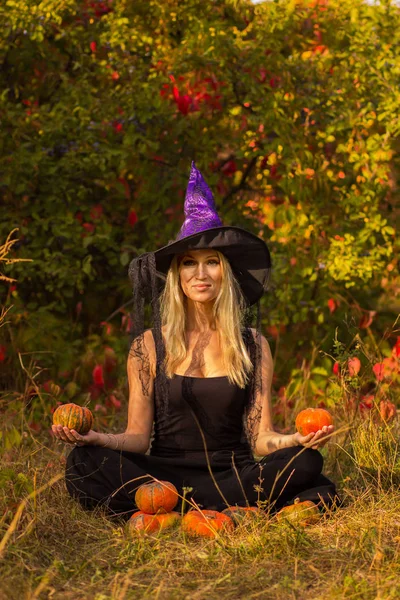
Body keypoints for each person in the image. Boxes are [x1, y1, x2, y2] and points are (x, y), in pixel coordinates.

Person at [53, 162, 339, 520]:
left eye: (211, 263)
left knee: (307, 462)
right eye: (189, 263)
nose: (200, 274)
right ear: (177, 275)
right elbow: (138, 438)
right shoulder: (148, 345)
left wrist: (294, 441)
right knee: (83, 462)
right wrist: (96, 438)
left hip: (233, 477)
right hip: (162, 479)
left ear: (226, 273)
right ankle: (221, 511)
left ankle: (179, 512)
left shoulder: (252, 344)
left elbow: (262, 438)